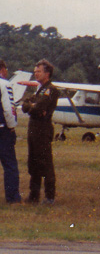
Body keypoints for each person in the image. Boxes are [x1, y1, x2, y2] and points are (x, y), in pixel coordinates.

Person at [22, 59, 59, 204]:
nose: (36, 74)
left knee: (45, 163)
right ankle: (34, 194)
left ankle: (49, 196)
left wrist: (33, 107)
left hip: (43, 130)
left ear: (47, 73)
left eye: (39, 71)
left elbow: (38, 108)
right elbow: (25, 104)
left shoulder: (51, 90)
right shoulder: (39, 89)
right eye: (35, 71)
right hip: (33, 129)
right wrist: (32, 106)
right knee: (33, 162)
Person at [0, 60, 21, 203]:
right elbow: (9, 108)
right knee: (10, 165)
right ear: (3, 69)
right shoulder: (4, 84)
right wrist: (12, 126)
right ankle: (12, 197)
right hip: (2, 130)